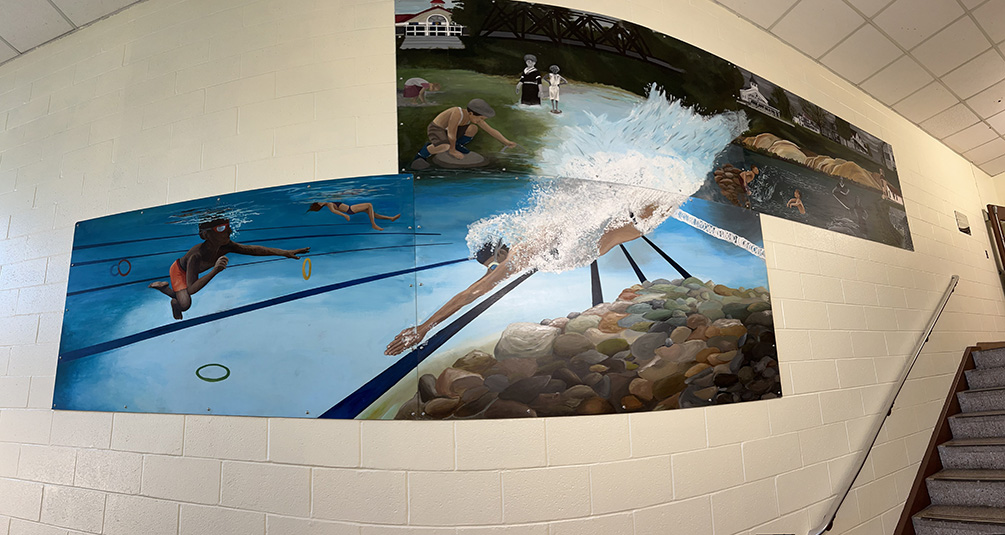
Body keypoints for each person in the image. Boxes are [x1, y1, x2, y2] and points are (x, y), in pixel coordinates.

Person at [385, 204, 665, 356]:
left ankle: (652, 204)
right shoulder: (516, 247)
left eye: (494, 265)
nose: (495, 272)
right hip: (587, 239)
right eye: (490, 268)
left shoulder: (518, 254)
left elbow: (471, 294)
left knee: (633, 225)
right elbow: (479, 284)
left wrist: (424, 327)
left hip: (584, 240)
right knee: (632, 226)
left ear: (501, 252)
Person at [148, 218, 310, 320]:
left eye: (228, 226)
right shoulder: (196, 255)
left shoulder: (227, 246)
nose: (229, 231)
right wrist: (215, 271)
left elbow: (253, 249)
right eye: (221, 228)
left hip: (191, 273)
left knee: (184, 298)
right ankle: (166, 290)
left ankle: (170, 292)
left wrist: (284, 253)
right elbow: (191, 288)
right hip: (179, 271)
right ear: (206, 234)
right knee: (185, 303)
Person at [412, 99, 517, 170]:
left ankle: (456, 145)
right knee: (445, 146)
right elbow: (451, 133)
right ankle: (422, 154)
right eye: (480, 118)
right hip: (438, 129)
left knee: (473, 128)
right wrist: (452, 151)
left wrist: (506, 142)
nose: (480, 121)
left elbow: (491, 130)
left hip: (452, 131)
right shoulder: (457, 113)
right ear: (471, 113)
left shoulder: (473, 117)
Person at [307, 201, 401, 231]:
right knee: (369, 205)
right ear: (320, 205)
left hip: (350, 210)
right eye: (319, 202)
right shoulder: (329, 205)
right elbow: (334, 211)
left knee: (373, 214)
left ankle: (391, 218)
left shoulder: (329, 203)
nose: (321, 201)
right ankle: (374, 225)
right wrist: (345, 216)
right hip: (350, 209)